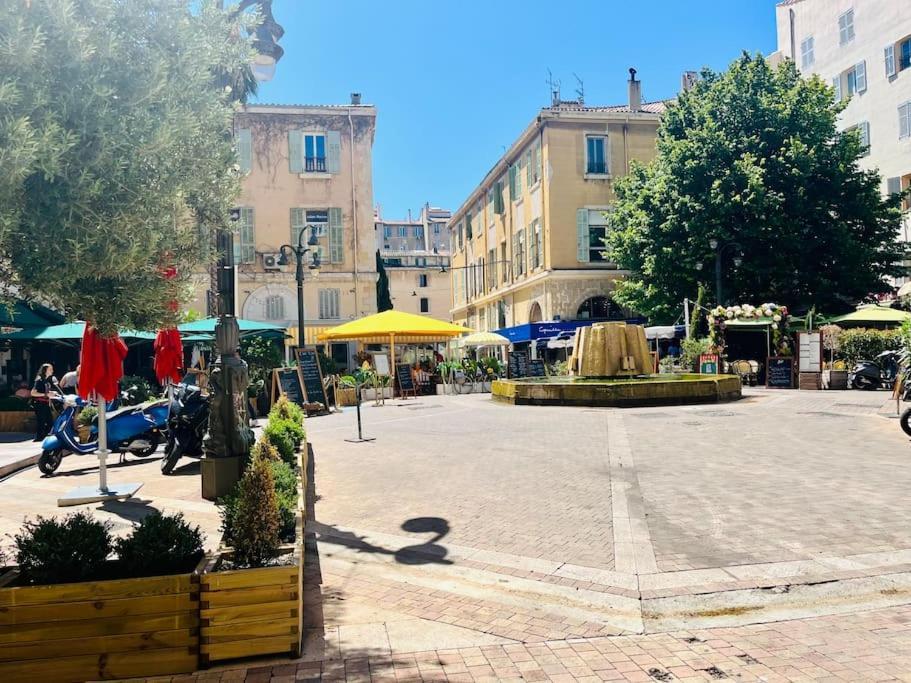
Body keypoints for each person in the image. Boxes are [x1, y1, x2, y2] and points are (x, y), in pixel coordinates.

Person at [30, 363, 60, 441]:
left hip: (45, 403)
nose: (52, 371)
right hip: (39, 403)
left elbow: (45, 391)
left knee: (49, 421)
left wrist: (53, 393)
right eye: (50, 369)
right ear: (45, 370)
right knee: (42, 421)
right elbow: (33, 393)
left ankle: (44, 437)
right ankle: (40, 438)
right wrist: (46, 394)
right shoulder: (39, 380)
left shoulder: (46, 380)